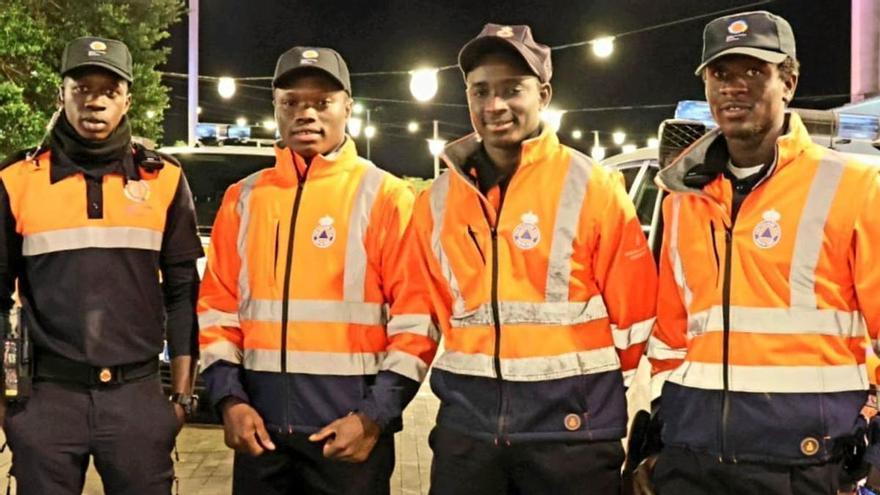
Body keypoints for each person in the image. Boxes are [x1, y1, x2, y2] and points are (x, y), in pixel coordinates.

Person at [395, 23, 657, 494]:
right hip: (468, 438)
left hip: (573, 440)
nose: (495, 106)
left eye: (512, 89)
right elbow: (421, 316)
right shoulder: (435, 202)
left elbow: (636, 319)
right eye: (481, 91)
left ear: (544, 94)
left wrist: (584, 399)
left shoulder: (593, 188)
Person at [642, 10, 880, 494]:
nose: (734, 87)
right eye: (720, 74)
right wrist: (661, 433)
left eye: (755, 71)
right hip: (693, 461)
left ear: (788, 82)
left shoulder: (855, 187)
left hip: (805, 464)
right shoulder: (684, 199)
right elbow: (670, 338)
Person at [197, 45, 437, 494]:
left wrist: (373, 418)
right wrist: (229, 401)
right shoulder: (244, 198)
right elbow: (216, 311)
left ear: (348, 107)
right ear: (275, 107)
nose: (306, 114)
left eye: (322, 102)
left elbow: (417, 319)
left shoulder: (386, 197)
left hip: (348, 439)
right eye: (292, 102)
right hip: (260, 438)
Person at [0, 36, 202, 494]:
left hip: (137, 398)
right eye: (82, 88)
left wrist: (182, 398)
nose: (95, 101)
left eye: (109, 91)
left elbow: (183, 293)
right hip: (47, 400)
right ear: (62, 94)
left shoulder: (164, 179)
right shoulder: (16, 181)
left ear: (127, 99)